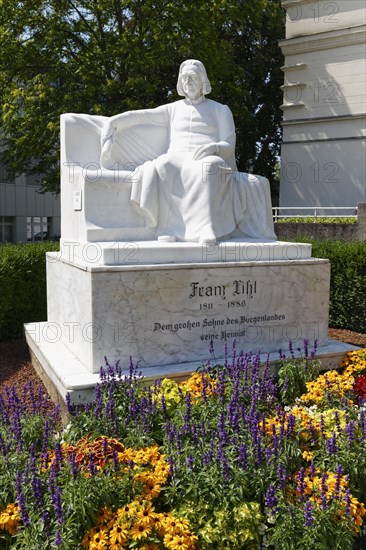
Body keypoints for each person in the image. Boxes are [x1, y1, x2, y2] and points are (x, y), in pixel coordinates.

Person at [100, 59, 276, 243]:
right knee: (162, 166)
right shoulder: (173, 109)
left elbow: (229, 144)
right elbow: (141, 116)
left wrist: (214, 147)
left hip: (207, 157)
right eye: (184, 78)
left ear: (203, 81)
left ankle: (207, 228)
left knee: (209, 169)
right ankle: (171, 229)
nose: (187, 82)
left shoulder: (220, 110)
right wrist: (114, 122)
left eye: (192, 77)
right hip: (177, 157)